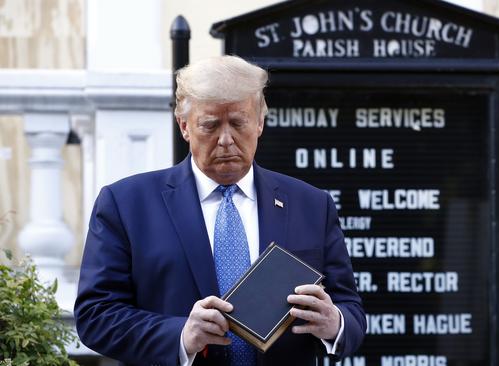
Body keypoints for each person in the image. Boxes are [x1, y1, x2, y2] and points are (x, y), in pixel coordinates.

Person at [74, 56, 366, 366]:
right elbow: (96, 316)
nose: (226, 140)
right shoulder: (126, 204)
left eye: (239, 123)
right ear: (184, 126)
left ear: (260, 123)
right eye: (210, 125)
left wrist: (334, 323)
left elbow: (352, 313)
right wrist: (180, 336)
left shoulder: (311, 204)